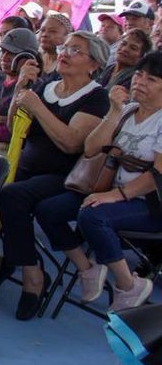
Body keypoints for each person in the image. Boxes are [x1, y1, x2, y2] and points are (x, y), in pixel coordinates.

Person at [0, 31, 111, 319]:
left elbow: (71, 142)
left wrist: (37, 107)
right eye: (65, 47)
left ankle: (33, 274)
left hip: (64, 176)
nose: (65, 53)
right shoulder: (48, 85)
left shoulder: (96, 97)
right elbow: (15, 128)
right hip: (26, 168)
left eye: (76, 50)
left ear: (93, 64)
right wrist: (21, 90)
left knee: (11, 195)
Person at [34, 53, 162, 312]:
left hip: (149, 203)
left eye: (152, 79)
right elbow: (92, 149)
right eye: (139, 74)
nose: (140, 82)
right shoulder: (127, 111)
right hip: (108, 191)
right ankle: (87, 268)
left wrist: (114, 196)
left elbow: (157, 177)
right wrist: (113, 112)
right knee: (47, 210)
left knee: (92, 215)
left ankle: (128, 285)